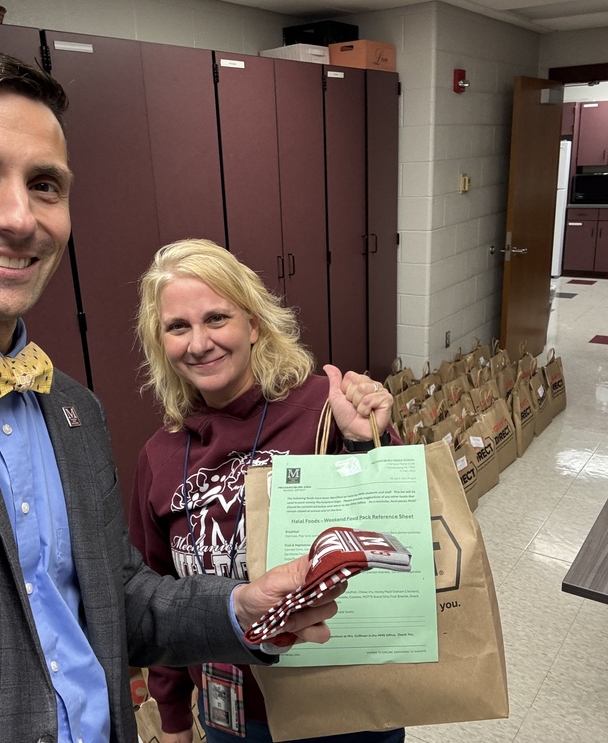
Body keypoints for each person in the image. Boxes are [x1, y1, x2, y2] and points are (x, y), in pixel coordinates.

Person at [0, 48, 342, 743]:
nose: (20, 217)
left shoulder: (73, 410)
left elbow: (119, 603)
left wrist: (240, 608)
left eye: (45, 184)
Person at [130, 239, 404, 743]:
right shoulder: (159, 456)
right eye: (178, 326)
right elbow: (156, 590)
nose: (198, 343)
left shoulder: (325, 407)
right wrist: (172, 720)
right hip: (233, 713)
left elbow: (394, 525)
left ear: (254, 325)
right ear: (159, 342)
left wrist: (368, 441)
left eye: (216, 318)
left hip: (343, 697)